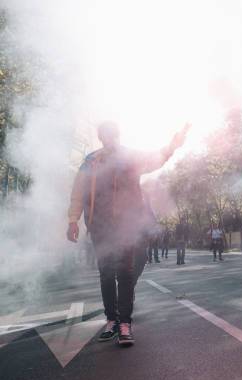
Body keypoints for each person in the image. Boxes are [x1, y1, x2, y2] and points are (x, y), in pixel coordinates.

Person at [66, 121, 191, 347]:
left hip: (126, 225)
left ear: (117, 135)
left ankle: (125, 324)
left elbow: (157, 158)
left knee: (124, 272)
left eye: (112, 134)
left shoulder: (130, 157)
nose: (109, 138)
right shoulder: (91, 161)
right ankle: (111, 321)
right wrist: (72, 220)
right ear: (101, 137)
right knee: (105, 274)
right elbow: (78, 191)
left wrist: (173, 145)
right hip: (99, 226)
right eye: (105, 135)